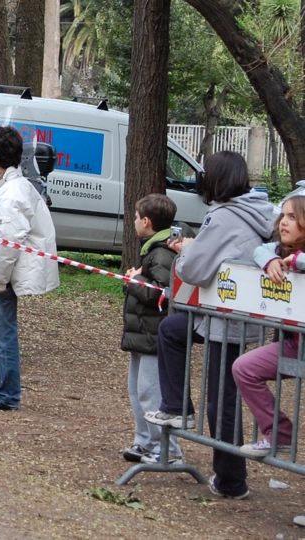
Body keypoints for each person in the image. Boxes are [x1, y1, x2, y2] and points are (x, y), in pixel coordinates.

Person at [144, 151, 274, 500]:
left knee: (221, 400)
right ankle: (177, 408)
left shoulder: (227, 217)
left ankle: (232, 481)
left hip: (226, 316)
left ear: (216, 180)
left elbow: (193, 269)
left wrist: (186, 250)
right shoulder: (256, 210)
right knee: (172, 330)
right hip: (229, 313)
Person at [0, 126, 58, 410]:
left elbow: (7, 243)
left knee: (0, 335)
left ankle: (7, 395)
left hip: (5, 275)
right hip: (0, 273)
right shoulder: (12, 185)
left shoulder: (12, 192)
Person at [121, 194, 194, 464]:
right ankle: (145, 442)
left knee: (151, 392)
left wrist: (135, 280)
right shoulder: (153, 248)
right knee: (137, 390)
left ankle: (168, 449)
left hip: (154, 332)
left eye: (137, 218)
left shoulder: (161, 251)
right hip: (141, 332)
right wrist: (138, 278)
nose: (135, 222)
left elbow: (163, 292)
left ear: (147, 221)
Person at [232, 195, 305, 460]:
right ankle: (279, 433)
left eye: (293, 217)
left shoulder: (296, 257)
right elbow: (259, 249)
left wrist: (297, 261)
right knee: (244, 367)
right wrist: (269, 260)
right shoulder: (280, 251)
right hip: (296, 345)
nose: (283, 222)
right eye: (283, 216)